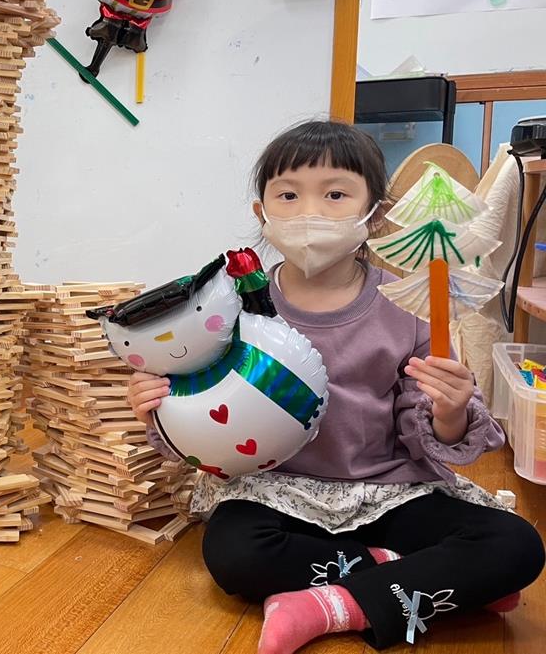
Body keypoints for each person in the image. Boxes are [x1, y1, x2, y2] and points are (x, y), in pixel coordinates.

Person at [127, 121, 544, 652]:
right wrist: (157, 406)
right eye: (288, 195)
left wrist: (451, 412)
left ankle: (327, 605)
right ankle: (412, 577)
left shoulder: (409, 305)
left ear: (375, 214)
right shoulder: (230, 308)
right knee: (234, 555)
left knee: (515, 545)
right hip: (276, 491)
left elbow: (437, 428)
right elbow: (203, 410)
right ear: (261, 212)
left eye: (335, 194)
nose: (310, 212)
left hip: (389, 491)